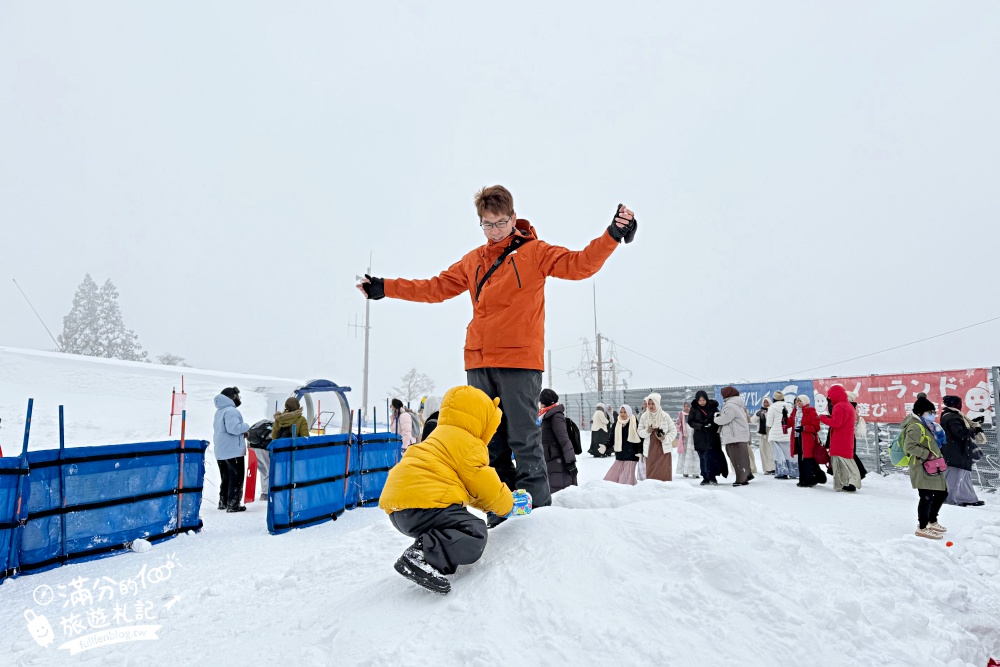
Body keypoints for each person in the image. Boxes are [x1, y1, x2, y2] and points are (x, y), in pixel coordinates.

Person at [358, 186, 636, 510]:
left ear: (513, 218)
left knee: (524, 440)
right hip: (478, 361)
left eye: (501, 223)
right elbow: (435, 287)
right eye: (487, 225)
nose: (494, 231)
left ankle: (536, 515)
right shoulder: (473, 260)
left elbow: (581, 264)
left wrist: (613, 234)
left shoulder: (536, 253)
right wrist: (386, 288)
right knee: (491, 444)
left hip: (519, 361)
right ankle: (503, 511)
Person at [379, 386, 531, 594]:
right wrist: (509, 504)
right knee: (473, 530)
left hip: (401, 509)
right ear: (482, 420)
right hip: (423, 504)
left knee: (454, 521)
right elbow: (485, 485)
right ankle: (420, 557)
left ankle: (427, 551)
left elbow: (465, 488)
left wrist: (488, 506)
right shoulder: (469, 444)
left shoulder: (441, 436)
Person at [902, 396, 949, 539]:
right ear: (921, 413)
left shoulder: (927, 425)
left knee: (942, 492)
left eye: (933, 411)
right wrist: (927, 454)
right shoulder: (915, 426)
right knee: (926, 497)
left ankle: (932, 520)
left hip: (933, 465)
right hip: (922, 465)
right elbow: (909, 446)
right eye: (930, 412)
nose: (933, 414)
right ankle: (922, 527)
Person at [940, 395, 985, 507]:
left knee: (963, 476)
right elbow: (960, 433)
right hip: (956, 451)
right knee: (955, 478)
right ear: (955, 404)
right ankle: (950, 500)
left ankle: (968, 498)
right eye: (959, 403)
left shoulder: (951, 415)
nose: (961, 405)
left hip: (955, 451)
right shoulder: (952, 417)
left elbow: (960, 428)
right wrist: (975, 429)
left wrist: (974, 423)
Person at [213, 387, 251, 513]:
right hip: (233, 450)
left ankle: (223, 501)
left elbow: (225, 430)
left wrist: (241, 433)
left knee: (226, 477)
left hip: (221, 450)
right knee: (236, 477)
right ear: (231, 397)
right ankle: (233, 504)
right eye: (236, 396)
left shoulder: (220, 411)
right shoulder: (231, 411)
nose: (238, 398)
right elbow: (233, 429)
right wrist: (246, 427)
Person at [819, 385, 861, 492]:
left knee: (840, 463)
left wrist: (823, 418)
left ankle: (846, 483)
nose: (829, 398)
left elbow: (836, 423)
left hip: (839, 439)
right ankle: (848, 483)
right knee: (847, 461)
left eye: (830, 396)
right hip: (847, 438)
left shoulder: (839, 406)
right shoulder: (848, 405)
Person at [538, 389, 578, 494]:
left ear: (543, 403)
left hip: (558, 461)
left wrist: (571, 462)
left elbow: (564, 440)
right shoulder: (545, 416)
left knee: (560, 492)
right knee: (553, 490)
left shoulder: (555, 417)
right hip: (551, 461)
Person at [714, 387, 753, 486]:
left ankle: (741, 479)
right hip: (739, 434)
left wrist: (716, 418)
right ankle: (746, 475)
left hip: (734, 435)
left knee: (736, 458)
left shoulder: (730, 405)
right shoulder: (737, 404)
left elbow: (725, 419)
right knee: (742, 457)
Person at [638, 393, 678, 482]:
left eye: (653, 404)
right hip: (650, 449)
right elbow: (639, 432)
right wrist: (647, 431)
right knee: (651, 473)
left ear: (657, 404)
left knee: (663, 473)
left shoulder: (665, 416)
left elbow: (673, 431)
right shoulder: (644, 416)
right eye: (649, 404)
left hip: (663, 449)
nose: (651, 406)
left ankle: (665, 492)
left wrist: (665, 438)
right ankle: (652, 492)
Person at [688, 391, 725, 486]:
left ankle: (712, 477)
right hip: (700, 437)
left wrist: (711, 425)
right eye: (700, 400)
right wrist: (701, 426)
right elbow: (690, 422)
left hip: (712, 437)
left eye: (703, 400)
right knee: (703, 458)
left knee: (711, 457)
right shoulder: (694, 409)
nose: (702, 402)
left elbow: (718, 418)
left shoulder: (712, 407)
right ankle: (705, 477)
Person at [789, 395, 826, 488]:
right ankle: (804, 479)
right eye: (797, 401)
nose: (798, 403)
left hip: (808, 439)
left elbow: (816, 427)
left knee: (808, 460)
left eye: (800, 401)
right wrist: (784, 418)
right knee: (801, 460)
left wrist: (804, 428)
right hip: (797, 438)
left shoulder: (811, 411)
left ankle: (810, 479)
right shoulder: (795, 411)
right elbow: (790, 423)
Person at [604, 405, 642, 485]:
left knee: (626, 480)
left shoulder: (634, 423)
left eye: (625, 412)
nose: (622, 414)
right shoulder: (616, 424)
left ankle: (629, 494)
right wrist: (605, 446)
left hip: (631, 455)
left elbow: (640, 439)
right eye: (621, 412)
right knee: (611, 478)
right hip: (620, 455)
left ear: (629, 412)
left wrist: (640, 451)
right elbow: (612, 439)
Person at [767, 391, 797, 480]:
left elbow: (769, 423)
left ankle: (781, 472)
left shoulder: (772, 408)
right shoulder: (789, 406)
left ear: (774, 399)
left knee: (778, 454)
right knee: (789, 454)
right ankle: (793, 472)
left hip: (775, 435)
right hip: (787, 433)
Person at [675, 402, 701, 478]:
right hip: (685, 437)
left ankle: (695, 472)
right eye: (685, 406)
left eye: (688, 406)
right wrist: (678, 422)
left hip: (693, 436)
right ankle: (685, 470)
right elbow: (678, 426)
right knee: (685, 452)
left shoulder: (695, 414)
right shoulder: (682, 415)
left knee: (694, 453)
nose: (686, 408)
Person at [751, 397, 776, 474]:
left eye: (767, 402)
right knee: (764, 452)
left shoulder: (772, 411)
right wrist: (757, 414)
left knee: (771, 451)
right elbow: (752, 420)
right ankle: (767, 468)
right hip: (762, 434)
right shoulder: (759, 411)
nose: (765, 404)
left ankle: (773, 468)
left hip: (770, 433)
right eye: (764, 402)